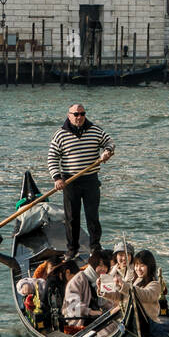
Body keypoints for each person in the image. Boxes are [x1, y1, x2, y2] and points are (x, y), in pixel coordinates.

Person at [47, 103, 115, 257]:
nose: (79, 117)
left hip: (90, 179)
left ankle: (95, 247)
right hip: (70, 181)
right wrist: (57, 178)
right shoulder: (60, 135)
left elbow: (110, 142)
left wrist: (107, 151)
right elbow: (52, 158)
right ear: (69, 115)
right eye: (76, 114)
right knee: (72, 218)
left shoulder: (95, 130)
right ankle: (72, 249)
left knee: (92, 215)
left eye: (82, 114)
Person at [131, 250, 162, 320]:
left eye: (142, 265)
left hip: (148, 324)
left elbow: (145, 295)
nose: (138, 269)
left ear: (149, 266)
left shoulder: (155, 285)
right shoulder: (134, 281)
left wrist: (127, 287)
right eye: (136, 265)